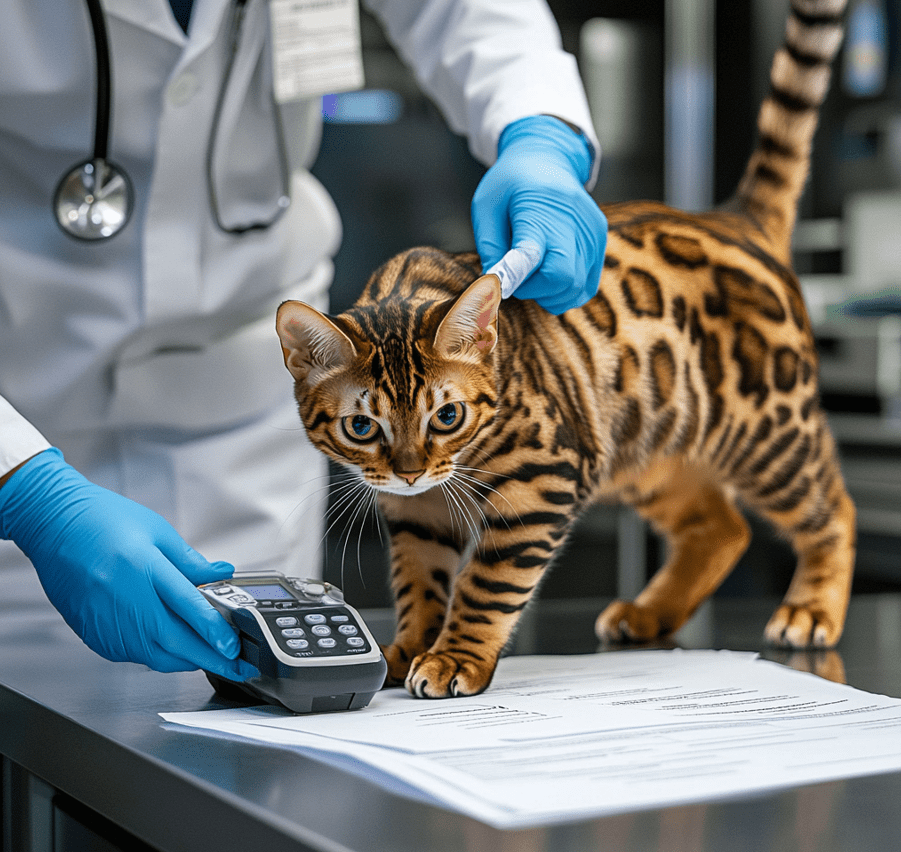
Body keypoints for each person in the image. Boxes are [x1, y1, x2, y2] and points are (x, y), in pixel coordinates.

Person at [0, 0, 607, 681]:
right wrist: (26, 492)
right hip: (22, 382)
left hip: (246, 417)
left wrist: (540, 130)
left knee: (248, 726)